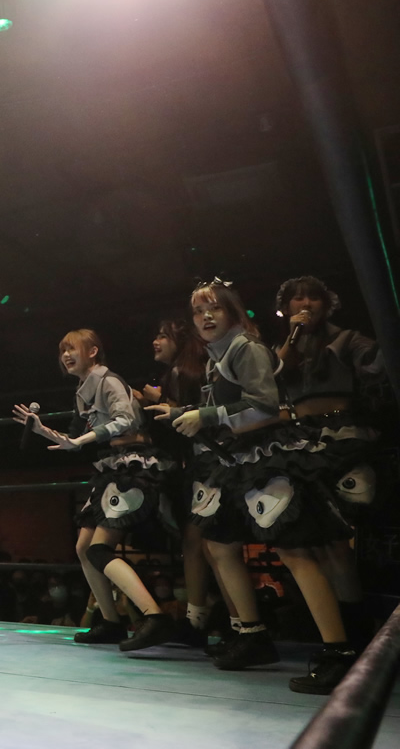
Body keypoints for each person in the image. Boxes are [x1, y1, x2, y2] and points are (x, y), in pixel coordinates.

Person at [150, 279, 356, 694]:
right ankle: (252, 634)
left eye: (214, 308)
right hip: (238, 459)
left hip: (267, 455)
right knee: (218, 542)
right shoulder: (219, 355)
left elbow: (265, 407)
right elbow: (229, 407)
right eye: (198, 311)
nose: (205, 317)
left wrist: (205, 416)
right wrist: (186, 412)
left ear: (232, 311)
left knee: (294, 550)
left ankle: (340, 652)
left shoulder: (245, 348)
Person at [14, 329, 175, 652]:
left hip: (134, 464)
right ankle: (111, 621)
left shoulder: (108, 381)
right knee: (83, 547)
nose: (66, 355)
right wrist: (41, 428)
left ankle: (154, 616)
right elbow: (73, 440)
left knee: (99, 550)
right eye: (62, 350)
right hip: (112, 466)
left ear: (93, 351)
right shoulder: (82, 391)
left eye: (72, 348)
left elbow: (125, 420)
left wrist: (84, 438)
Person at [274, 276, 386, 653]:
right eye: (297, 299)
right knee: (318, 542)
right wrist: (292, 339)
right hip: (299, 443)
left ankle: (355, 632)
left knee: (339, 543)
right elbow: (273, 377)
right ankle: (338, 633)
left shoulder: (347, 339)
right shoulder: (285, 346)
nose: (305, 304)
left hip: (342, 439)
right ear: (286, 307)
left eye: (312, 298)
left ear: (327, 303)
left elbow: (378, 362)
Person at [136, 319, 219, 647]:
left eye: (162, 336)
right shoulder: (185, 371)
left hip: (204, 463)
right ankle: (206, 621)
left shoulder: (181, 372)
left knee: (207, 544)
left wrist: (159, 403)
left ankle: (218, 624)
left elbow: (186, 416)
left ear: (179, 340)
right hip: (201, 463)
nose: (155, 341)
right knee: (202, 544)